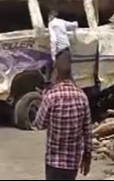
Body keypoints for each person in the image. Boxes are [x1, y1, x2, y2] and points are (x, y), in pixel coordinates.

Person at [35, 52, 92, 181]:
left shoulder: (51, 97)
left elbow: (39, 124)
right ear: (71, 72)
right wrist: (87, 158)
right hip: (72, 163)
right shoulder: (82, 97)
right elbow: (88, 132)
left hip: (53, 162)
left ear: (56, 72)